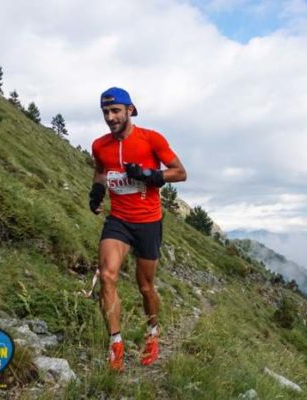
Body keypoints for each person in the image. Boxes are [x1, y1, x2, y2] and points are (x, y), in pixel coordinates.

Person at [89, 87, 187, 372]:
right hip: (118, 220)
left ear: (129, 110)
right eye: (105, 112)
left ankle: (153, 332)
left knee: (145, 286)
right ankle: (115, 344)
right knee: (107, 276)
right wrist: (97, 191)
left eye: (115, 111)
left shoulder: (151, 139)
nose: (110, 117)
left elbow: (180, 172)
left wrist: (150, 175)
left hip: (148, 222)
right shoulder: (100, 145)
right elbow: (101, 170)